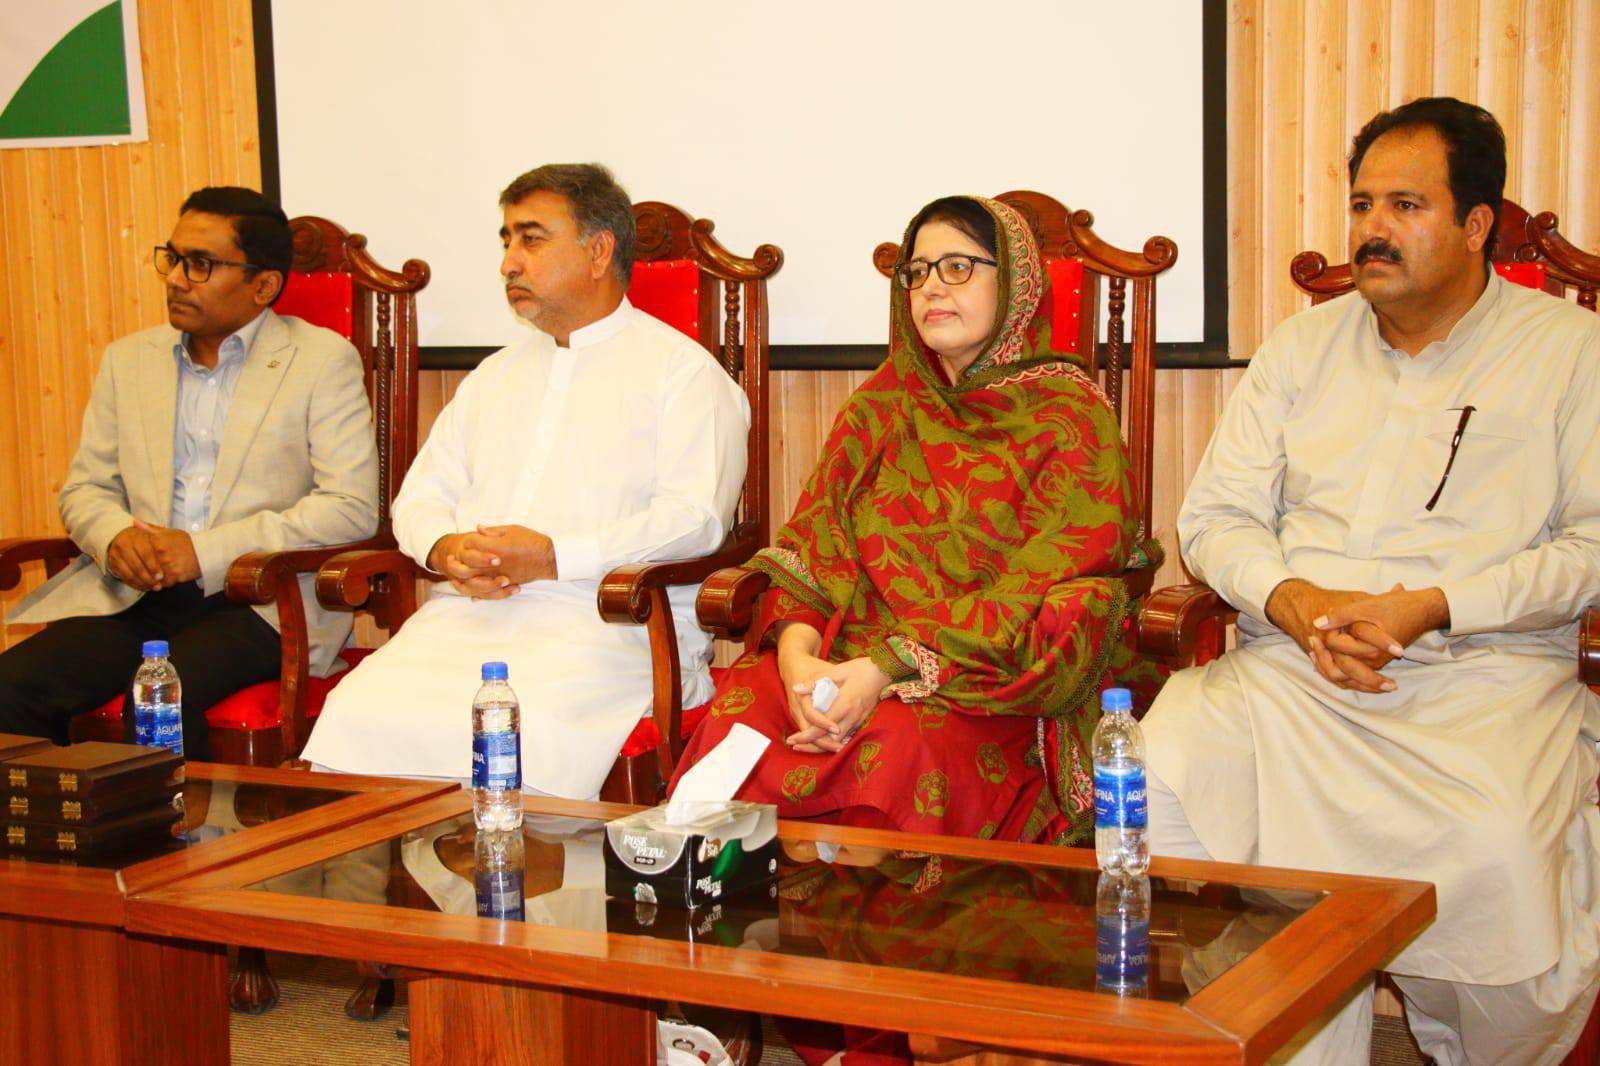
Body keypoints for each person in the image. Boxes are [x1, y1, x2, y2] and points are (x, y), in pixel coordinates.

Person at [1142, 97, 1600, 1065]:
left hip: (1479, 684)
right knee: (1160, 767)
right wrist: (1294, 601)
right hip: (1294, 671)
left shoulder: (1570, 352)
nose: (1371, 229)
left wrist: (1434, 606)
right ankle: (1297, 1012)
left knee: (1503, 855)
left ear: (1476, 224)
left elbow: (1590, 546)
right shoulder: (1299, 348)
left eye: (1404, 205)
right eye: (1360, 206)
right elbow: (1212, 519)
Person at [669, 195, 1161, 845]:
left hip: (974, 677)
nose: (931, 286)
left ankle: (864, 904)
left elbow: (1048, 584)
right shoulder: (882, 404)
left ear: (1014, 285)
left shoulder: (1068, 416)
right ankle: (727, 902)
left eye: (958, 267)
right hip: (844, 656)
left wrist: (887, 668)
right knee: (745, 711)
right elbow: (813, 547)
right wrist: (797, 661)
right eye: (917, 271)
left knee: (900, 744)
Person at [301, 163, 748, 800]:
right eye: (506, 240)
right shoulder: (494, 375)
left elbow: (695, 520)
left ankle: (527, 866)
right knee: (364, 712)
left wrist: (554, 556)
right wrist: (444, 549)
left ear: (599, 251)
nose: (509, 262)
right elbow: (420, 497)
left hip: (610, 626)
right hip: (466, 618)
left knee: (522, 729)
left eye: (531, 239)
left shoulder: (684, 374)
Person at [0, 187, 379, 759]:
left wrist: (201, 553)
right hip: (136, 596)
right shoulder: (129, 360)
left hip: (261, 601)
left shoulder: (321, 361)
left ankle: (177, 822)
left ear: (263, 286)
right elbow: (87, 488)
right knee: (10, 690)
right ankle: (61, 817)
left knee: (159, 700)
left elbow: (350, 508)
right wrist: (114, 538)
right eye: (173, 259)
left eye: (200, 264)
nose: (176, 279)